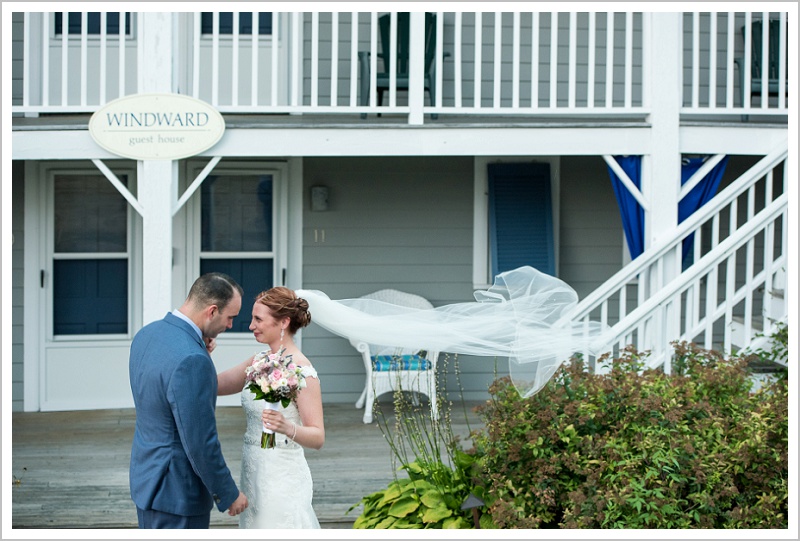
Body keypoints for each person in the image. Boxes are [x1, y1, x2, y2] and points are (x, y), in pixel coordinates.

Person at [129, 272, 248, 529]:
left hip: (146, 476)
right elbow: (200, 441)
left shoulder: (147, 334)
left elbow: (165, 395)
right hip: (176, 491)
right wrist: (227, 493)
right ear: (212, 311)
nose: (230, 326)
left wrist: (200, 350)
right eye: (230, 318)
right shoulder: (192, 360)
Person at [217, 286, 324, 529]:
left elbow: (318, 437)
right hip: (252, 469)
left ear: (284, 322)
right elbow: (216, 385)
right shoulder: (258, 361)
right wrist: (201, 351)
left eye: (258, 319)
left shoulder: (303, 371)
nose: (251, 325)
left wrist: (287, 427)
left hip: (282, 476)